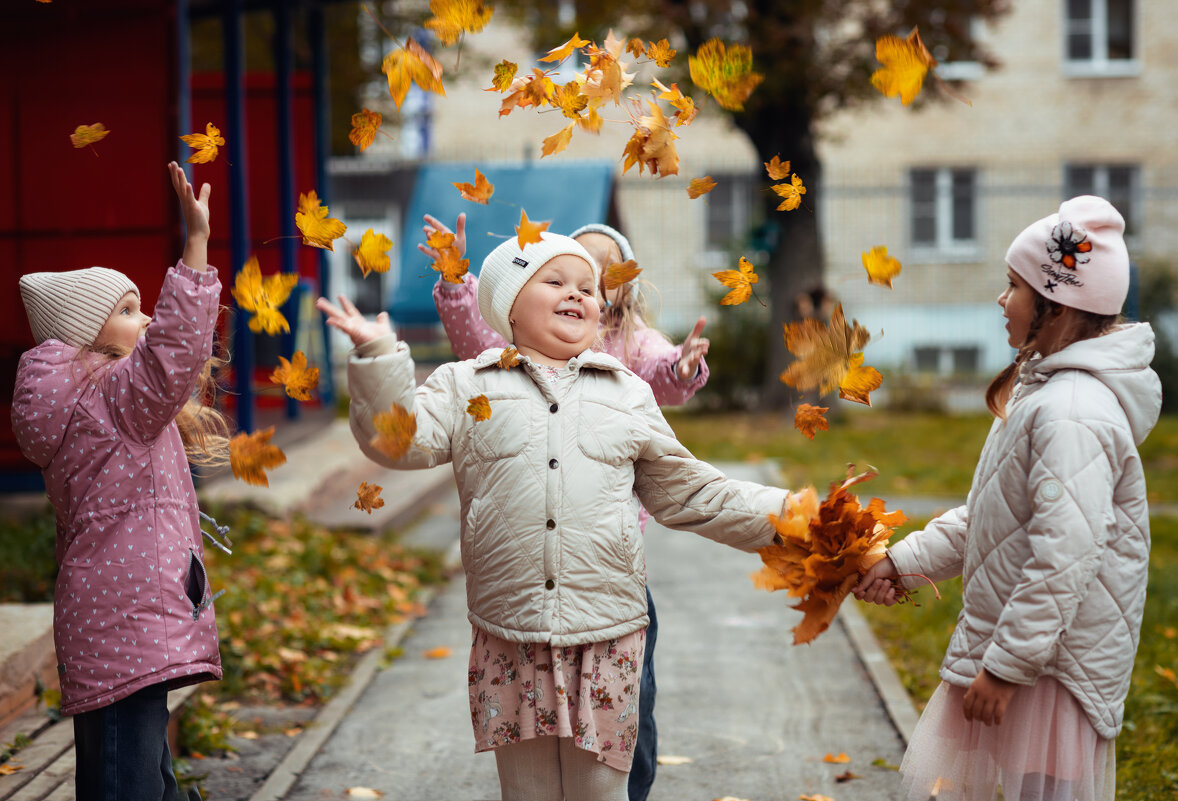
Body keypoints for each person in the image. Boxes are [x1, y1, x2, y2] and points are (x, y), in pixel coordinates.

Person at [317, 232, 788, 801]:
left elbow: (695, 493)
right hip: (509, 636)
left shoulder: (627, 393)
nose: (579, 294)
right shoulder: (466, 385)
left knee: (600, 794)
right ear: (509, 305)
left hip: (607, 636)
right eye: (557, 281)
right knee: (529, 793)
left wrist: (796, 516)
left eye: (589, 288)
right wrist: (378, 357)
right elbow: (396, 442)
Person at [854, 196, 1160, 801]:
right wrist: (901, 563)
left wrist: (1006, 666)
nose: (1001, 299)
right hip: (1029, 654)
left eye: (1014, 286)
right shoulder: (1044, 395)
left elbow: (1065, 556)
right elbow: (990, 519)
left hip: (1050, 670)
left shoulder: (1070, 412)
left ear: (1058, 304)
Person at [419, 212, 707, 801]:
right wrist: (455, 280)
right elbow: (475, 341)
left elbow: (661, 373)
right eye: (564, 273)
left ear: (619, 288)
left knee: (632, 698)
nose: (583, 283)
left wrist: (682, 368)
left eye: (600, 273)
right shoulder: (509, 358)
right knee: (535, 714)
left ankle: (628, 786)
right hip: (525, 579)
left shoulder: (631, 346)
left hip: (605, 569)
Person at [12, 162, 229, 801]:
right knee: (128, 782)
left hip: (113, 621)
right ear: (88, 334)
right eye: (129, 310)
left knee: (140, 774)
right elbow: (173, 355)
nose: (146, 320)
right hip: (129, 622)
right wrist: (196, 246)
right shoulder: (108, 398)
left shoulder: (84, 402)